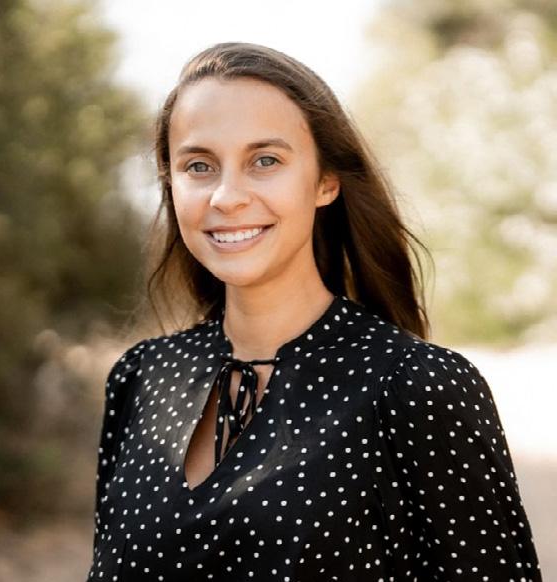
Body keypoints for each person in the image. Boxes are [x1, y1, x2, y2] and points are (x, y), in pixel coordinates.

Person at [86, 42, 542, 581]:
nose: (226, 196)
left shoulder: (416, 385)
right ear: (172, 182)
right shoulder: (141, 378)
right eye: (199, 165)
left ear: (326, 181)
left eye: (265, 160)